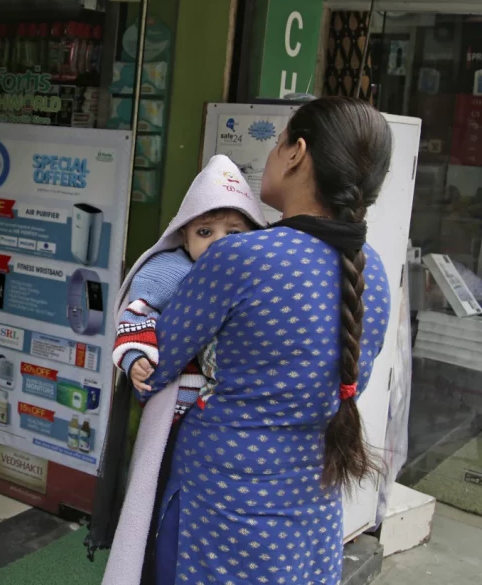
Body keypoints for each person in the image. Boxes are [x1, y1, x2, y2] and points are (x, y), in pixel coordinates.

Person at [137, 97, 393, 585]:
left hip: (217, 507)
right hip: (310, 509)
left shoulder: (239, 257)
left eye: (278, 145)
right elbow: (349, 384)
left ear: (297, 153)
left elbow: (154, 367)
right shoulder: (371, 272)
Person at [91, 156, 266, 582]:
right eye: (205, 232)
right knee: (155, 490)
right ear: (183, 234)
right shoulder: (171, 270)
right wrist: (136, 359)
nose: (218, 242)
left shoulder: (258, 278)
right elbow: (136, 314)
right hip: (173, 407)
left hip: (220, 417)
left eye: (233, 232)